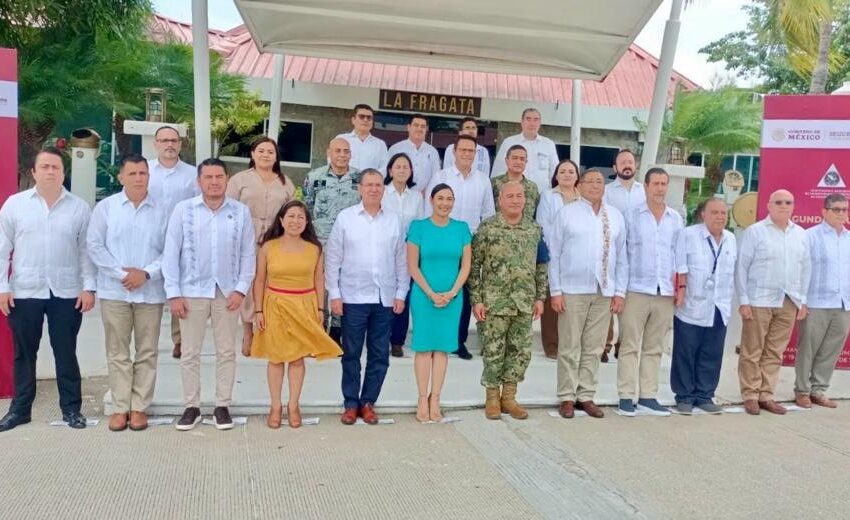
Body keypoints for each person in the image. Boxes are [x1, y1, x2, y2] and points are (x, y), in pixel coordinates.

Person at [0, 148, 96, 432]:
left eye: (56, 167)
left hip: (66, 292)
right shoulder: (15, 205)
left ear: (63, 172)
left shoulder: (79, 207)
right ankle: (20, 410)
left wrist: (88, 287)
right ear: (33, 172)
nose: (50, 172)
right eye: (45, 167)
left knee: (66, 351)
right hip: (24, 290)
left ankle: (71, 409)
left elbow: (85, 252)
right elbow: (2, 249)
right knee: (24, 353)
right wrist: (2, 287)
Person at [163, 158, 256, 431]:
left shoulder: (240, 212)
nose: (214, 182)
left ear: (227, 180)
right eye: (208, 177)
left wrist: (241, 289)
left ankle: (222, 405)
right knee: (190, 352)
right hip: (191, 291)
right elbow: (171, 253)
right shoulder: (184, 210)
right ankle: (191, 406)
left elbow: (249, 254)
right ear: (199, 181)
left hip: (227, 293)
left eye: (219, 177)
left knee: (226, 351)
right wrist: (174, 293)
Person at [86, 154, 168, 432]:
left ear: (149, 176)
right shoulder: (106, 208)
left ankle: (139, 407)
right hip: (115, 291)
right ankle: (121, 407)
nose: (137, 178)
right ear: (120, 177)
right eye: (131, 174)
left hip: (150, 291)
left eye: (142, 173)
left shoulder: (163, 209)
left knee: (147, 351)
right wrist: (124, 275)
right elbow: (95, 246)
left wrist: (145, 273)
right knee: (117, 351)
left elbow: (171, 250)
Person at [325, 169, 408, 425]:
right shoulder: (346, 218)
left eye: (378, 185)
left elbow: (401, 260)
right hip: (353, 297)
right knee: (351, 354)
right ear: (359, 189)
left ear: (383, 190)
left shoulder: (394, 220)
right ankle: (351, 403)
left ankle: (368, 402)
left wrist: (401, 293)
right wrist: (335, 295)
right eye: (368, 185)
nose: (373, 189)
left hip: (384, 298)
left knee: (379, 354)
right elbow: (332, 258)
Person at [251, 200, 343, 429]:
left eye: (300, 217)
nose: (295, 221)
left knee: (297, 358)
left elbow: (319, 280)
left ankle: (293, 405)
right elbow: (260, 279)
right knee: (275, 357)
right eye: (291, 216)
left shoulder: (315, 249)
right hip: (275, 305)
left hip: (304, 305)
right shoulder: (268, 247)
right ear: (281, 220)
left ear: (307, 222)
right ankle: (275, 406)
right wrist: (258, 310)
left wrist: (321, 309)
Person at [549, 168, 627, 419]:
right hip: (572, 290)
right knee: (570, 346)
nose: (595, 185)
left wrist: (619, 292)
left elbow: (622, 258)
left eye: (599, 181)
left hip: (603, 291)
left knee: (593, 348)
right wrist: (556, 291)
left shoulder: (614, 216)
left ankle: (586, 394)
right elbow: (554, 255)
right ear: (579, 185)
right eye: (590, 181)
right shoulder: (567, 213)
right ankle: (566, 396)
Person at [469, 181, 547, 420]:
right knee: (493, 351)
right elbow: (474, 267)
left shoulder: (534, 229)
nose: (515, 200)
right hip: (495, 302)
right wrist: (477, 299)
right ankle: (492, 398)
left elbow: (541, 265)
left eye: (519, 196)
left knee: (520, 352)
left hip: (524, 302)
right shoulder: (488, 228)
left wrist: (540, 297)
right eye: (510, 196)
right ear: (499, 200)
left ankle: (509, 398)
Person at [735, 189, 811, 415]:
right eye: (778, 202)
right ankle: (750, 394)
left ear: (793, 206)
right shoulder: (755, 232)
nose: (784, 206)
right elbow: (742, 268)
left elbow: (806, 268)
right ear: (768, 205)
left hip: (789, 301)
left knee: (775, 351)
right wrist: (744, 300)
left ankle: (766, 395)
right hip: (759, 300)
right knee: (752, 350)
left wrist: (803, 300)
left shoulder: (801, 234)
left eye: (788, 202)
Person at [616, 168, 683, 417]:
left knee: (654, 347)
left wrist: (680, 288)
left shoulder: (676, 218)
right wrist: (620, 292)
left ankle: (647, 396)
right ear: (645, 186)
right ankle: (625, 396)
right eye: (655, 183)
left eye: (664, 183)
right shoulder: (631, 216)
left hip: (664, 292)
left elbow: (679, 256)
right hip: (636, 290)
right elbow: (622, 256)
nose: (660, 188)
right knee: (630, 345)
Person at [426, 134, 496, 360]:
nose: (467, 154)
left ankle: (459, 341)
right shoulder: (441, 176)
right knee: (439, 287)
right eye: (462, 150)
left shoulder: (483, 180)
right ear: (454, 152)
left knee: (464, 294)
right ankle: (437, 338)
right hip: (443, 241)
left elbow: (488, 214)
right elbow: (431, 210)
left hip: (471, 243)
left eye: (471, 151)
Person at [407, 184, 472, 422]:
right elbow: (413, 266)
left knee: (442, 349)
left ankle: (436, 398)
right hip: (424, 296)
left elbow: (465, 266)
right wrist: (432, 293)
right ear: (432, 200)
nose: (445, 203)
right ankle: (422, 398)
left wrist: (453, 292)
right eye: (440, 198)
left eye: (449, 199)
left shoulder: (462, 229)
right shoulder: (418, 228)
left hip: (452, 297)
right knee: (424, 348)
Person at [226, 137, 295, 357]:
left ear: (276, 157)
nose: (266, 155)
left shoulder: (285, 182)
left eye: (270, 152)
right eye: (261, 151)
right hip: (246, 238)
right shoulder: (240, 179)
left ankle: (266, 329)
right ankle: (248, 330)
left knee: (269, 284)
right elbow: (229, 208)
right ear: (253, 154)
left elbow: (291, 211)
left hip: (275, 240)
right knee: (248, 283)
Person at [671, 198, 737, 414]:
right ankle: (684, 396)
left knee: (712, 353)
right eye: (715, 212)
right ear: (703, 215)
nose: (720, 216)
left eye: (724, 213)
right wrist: (679, 293)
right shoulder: (688, 235)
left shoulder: (731, 239)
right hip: (691, 306)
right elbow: (679, 266)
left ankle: (705, 395)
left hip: (719, 307)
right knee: (686, 352)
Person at [147, 125, 200, 360]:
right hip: (149, 237)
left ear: (180, 144)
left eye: (174, 140)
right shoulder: (144, 170)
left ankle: (180, 340)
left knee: (180, 288)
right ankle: (148, 340)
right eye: (164, 140)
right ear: (155, 143)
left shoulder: (192, 174)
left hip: (182, 239)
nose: (169, 144)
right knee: (150, 287)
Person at [303, 137, 362, 343]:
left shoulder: (359, 178)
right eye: (338, 151)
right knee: (320, 284)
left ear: (351, 154)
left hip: (351, 243)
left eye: (346, 151)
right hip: (321, 240)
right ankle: (319, 326)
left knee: (342, 284)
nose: (342, 155)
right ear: (329, 151)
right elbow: (307, 207)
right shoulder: (314, 177)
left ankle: (337, 330)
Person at [794, 194, 850, 409]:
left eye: (844, 209)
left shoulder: (848, 238)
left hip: (843, 303)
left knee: (831, 350)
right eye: (836, 209)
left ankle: (819, 390)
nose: (841, 213)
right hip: (816, 302)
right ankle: (801, 390)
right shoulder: (810, 236)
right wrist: (802, 300)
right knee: (808, 348)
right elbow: (801, 269)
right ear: (824, 211)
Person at [601, 149, 645, 362]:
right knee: (609, 296)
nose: (627, 165)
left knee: (628, 302)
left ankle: (623, 345)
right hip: (612, 252)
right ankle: (604, 345)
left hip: (636, 254)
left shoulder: (644, 191)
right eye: (622, 162)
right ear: (615, 168)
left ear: (635, 166)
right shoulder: (607, 191)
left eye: (630, 162)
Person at [536, 159, 580, 360]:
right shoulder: (548, 195)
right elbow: (543, 223)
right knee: (552, 296)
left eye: (571, 171)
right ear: (556, 175)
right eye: (563, 171)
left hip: (576, 253)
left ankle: (571, 343)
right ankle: (552, 345)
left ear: (577, 176)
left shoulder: (583, 197)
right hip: (553, 250)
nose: (567, 174)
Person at [382, 153, 423, 358]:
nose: (401, 170)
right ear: (390, 170)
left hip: (408, 251)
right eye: (397, 166)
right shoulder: (381, 193)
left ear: (411, 171)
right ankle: (381, 337)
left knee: (403, 293)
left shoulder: (416, 196)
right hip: (383, 249)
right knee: (384, 293)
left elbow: (420, 224)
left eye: (405, 167)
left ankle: (397, 340)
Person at [491, 108, 559, 195]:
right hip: (514, 197)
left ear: (540, 123)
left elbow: (555, 172)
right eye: (528, 119)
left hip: (542, 196)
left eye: (536, 120)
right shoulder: (509, 142)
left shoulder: (548, 144)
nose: (532, 123)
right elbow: (497, 172)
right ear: (522, 122)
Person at [383, 114, 441, 192]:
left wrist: (427, 192)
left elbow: (436, 177)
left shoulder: (433, 152)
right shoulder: (396, 149)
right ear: (409, 127)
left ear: (426, 129)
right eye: (416, 125)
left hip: (424, 198)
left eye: (423, 126)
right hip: (399, 195)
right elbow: (387, 173)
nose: (419, 129)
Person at [490, 145, 540, 221]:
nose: (518, 162)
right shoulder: (493, 183)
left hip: (526, 231)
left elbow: (536, 215)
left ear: (526, 162)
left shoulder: (532, 187)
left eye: (522, 159)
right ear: (506, 160)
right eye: (514, 158)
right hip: (498, 230)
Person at [336, 103, 387, 171]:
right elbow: (332, 161)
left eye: (369, 118)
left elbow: (384, 168)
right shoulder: (341, 139)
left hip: (371, 181)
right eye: (361, 116)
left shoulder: (380, 144)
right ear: (353, 120)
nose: (365, 120)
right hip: (345, 181)